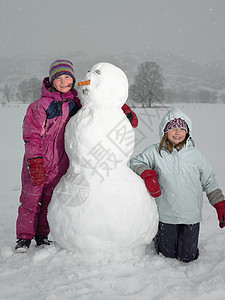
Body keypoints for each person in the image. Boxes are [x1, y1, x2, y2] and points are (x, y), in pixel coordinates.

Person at [15, 59, 138, 252]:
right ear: (51, 80)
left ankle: (41, 236)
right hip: (38, 162)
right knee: (30, 201)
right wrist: (35, 162)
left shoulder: (76, 102)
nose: (64, 82)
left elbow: (100, 99)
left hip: (61, 165)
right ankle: (23, 238)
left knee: (48, 201)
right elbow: (31, 137)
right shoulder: (39, 106)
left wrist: (123, 110)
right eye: (59, 78)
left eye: (67, 77)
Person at [130, 107, 225, 263]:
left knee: (187, 257)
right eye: (172, 128)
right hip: (166, 214)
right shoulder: (155, 152)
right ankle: (158, 239)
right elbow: (134, 162)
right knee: (166, 255)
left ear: (187, 132)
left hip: (190, 216)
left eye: (182, 128)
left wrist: (220, 204)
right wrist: (147, 173)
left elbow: (210, 181)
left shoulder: (196, 155)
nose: (177, 132)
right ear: (165, 131)